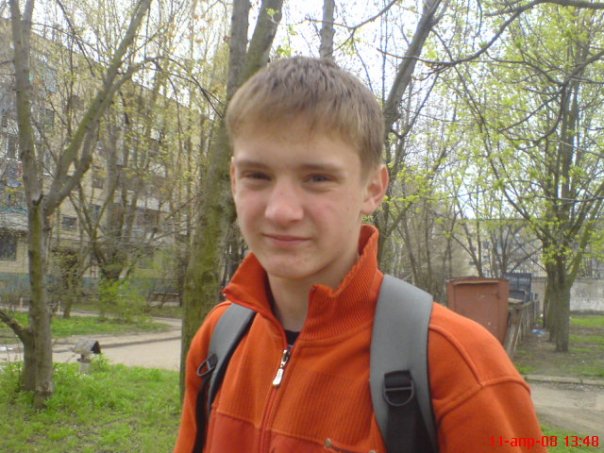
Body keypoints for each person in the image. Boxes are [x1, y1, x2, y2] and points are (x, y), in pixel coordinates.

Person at [175, 56, 545, 453]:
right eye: (257, 176)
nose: (281, 211)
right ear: (234, 180)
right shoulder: (219, 338)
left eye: (318, 178)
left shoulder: (458, 364)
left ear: (373, 189)